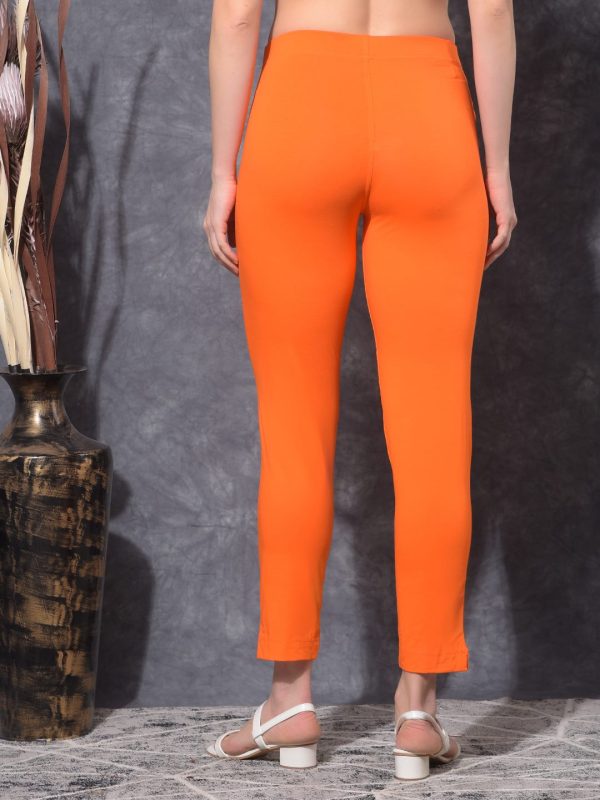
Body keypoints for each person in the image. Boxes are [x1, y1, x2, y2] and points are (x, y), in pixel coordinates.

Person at [203, 0, 517, 781]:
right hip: (431, 114)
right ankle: (419, 710)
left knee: (294, 430)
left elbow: (238, 16)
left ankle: (290, 700)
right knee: (436, 435)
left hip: (300, 109)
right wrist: (497, 168)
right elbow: (493, 10)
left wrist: (222, 171)